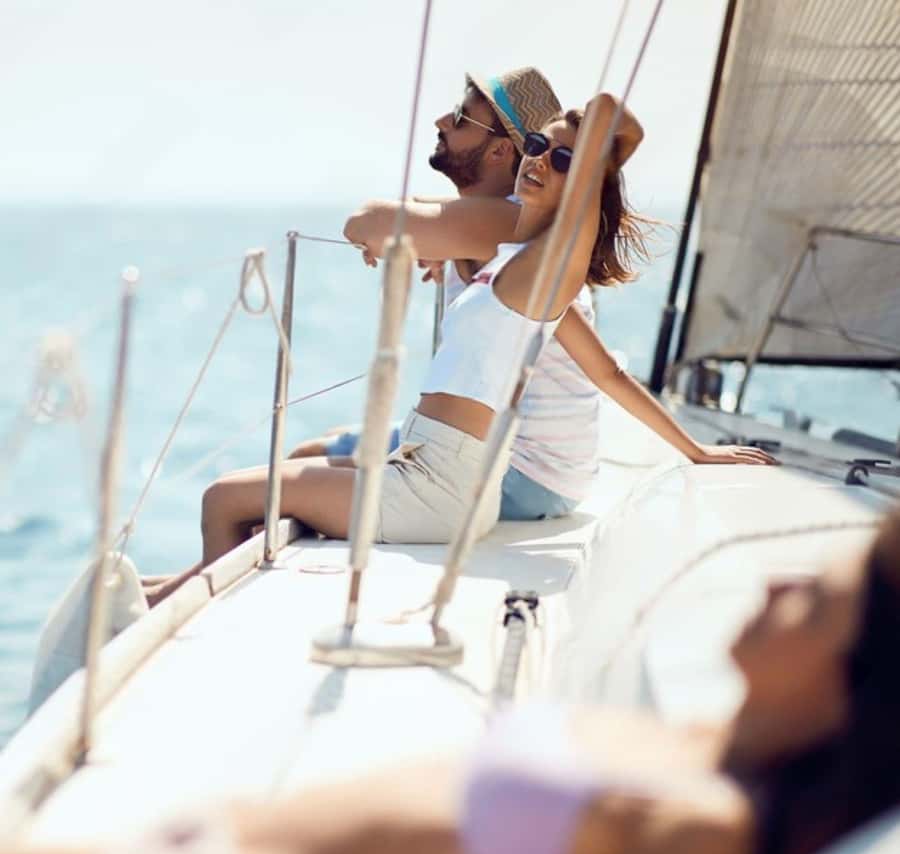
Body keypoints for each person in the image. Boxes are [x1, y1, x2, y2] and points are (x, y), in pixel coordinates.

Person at [4, 507, 900, 854]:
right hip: (188, 851)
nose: (776, 583)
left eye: (814, 601)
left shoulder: (705, 829)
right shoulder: (698, 744)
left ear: (846, 687)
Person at [143, 91, 774, 607]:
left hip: (436, 490)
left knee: (223, 497)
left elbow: (613, 112)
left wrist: (592, 140)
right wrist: (694, 449)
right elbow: (606, 372)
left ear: (583, 185)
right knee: (267, 492)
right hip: (428, 469)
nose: (538, 160)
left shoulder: (551, 268)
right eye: (536, 145)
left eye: (562, 160)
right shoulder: (515, 264)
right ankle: (183, 591)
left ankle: (180, 618)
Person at [294, 67, 610, 523]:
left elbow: (363, 224)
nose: (442, 121)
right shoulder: (499, 223)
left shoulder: (505, 224)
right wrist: (440, 236)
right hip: (521, 460)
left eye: (462, 118)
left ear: (500, 150)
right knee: (311, 452)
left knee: (293, 479)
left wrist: (433, 232)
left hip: (521, 472)